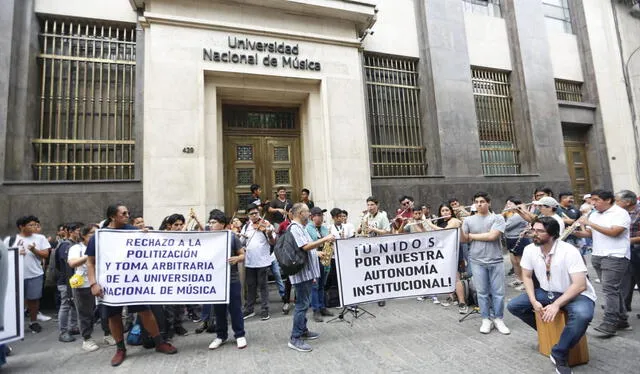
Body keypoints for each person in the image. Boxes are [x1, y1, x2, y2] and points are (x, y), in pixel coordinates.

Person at [86, 203, 177, 366]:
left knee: (145, 311)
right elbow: (90, 262)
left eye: (128, 212)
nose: (128, 215)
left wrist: (149, 237)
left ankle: (159, 342)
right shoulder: (100, 236)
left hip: (134, 283)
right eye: (123, 213)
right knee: (114, 316)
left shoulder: (135, 232)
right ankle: (120, 349)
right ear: (112, 216)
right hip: (111, 285)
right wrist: (93, 283)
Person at [507, 217, 595, 374]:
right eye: (533, 230)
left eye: (540, 231)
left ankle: (559, 353)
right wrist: (533, 300)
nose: (534, 234)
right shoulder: (530, 249)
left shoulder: (569, 251)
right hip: (546, 292)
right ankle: (555, 335)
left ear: (553, 234)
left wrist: (556, 305)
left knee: (583, 314)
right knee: (515, 306)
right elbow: (526, 277)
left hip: (574, 294)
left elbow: (579, 285)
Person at [574, 189, 631, 337]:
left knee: (609, 289)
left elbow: (614, 232)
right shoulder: (595, 214)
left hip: (615, 255)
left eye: (596, 200)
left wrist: (589, 222)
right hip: (598, 254)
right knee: (614, 289)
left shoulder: (620, 213)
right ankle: (622, 319)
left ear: (608, 200)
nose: (593, 203)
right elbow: (592, 233)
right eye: (592, 199)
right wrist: (576, 232)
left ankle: (610, 323)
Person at [287, 203, 335, 352]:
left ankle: (303, 330)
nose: (309, 215)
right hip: (302, 273)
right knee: (301, 305)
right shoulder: (294, 228)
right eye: (307, 212)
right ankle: (295, 338)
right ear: (300, 213)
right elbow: (305, 247)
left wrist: (319, 252)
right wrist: (325, 239)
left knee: (304, 302)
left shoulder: (301, 227)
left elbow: (308, 248)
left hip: (308, 272)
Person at [460, 192, 510, 335]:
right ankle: (485, 318)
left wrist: (471, 236)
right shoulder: (468, 220)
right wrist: (459, 228)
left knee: (498, 292)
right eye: (477, 201)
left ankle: (498, 318)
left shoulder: (497, 218)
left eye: (482, 201)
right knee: (482, 292)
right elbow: (463, 240)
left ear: (489, 203)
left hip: (496, 260)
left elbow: (492, 236)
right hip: (476, 260)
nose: (479, 204)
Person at [207, 209, 248, 350]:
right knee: (218, 310)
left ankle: (240, 334)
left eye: (214, 222)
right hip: (215, 280)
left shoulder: (232, 237)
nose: (211, 225)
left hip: (232, 279)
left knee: (235, 308)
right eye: (210, 222)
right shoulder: (207, 238)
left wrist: (237, 258)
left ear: (222, 224)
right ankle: (221, 335)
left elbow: (243, 255)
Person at [4, 216, 51, 333]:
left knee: (33, 299)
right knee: (15, 300)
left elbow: (45, 254)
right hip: (15, 275)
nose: (34, 227)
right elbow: (3, 256)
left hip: (35, 274)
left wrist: (34, 250)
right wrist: (15, 253)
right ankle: (15, 324)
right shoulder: (10, 240)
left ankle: (33, 322)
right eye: (31, 225)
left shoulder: (40, 238)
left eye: (35, 225)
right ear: (21, 226)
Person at [67, 224, 101, 352]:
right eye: (92, 233)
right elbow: (72, 263)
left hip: (101, 284)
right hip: (83, 285)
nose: (96, 235)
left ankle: (108, 334)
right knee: (85, 313)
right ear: (84, 236)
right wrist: (90, 254)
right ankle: (87, 338)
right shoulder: (76, 248)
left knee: (103, 311)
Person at [240, 204, 276, 321]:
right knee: (251, 286)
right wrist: (240, 236)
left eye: (256, 213)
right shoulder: (246, 227)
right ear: (248, 215)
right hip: (250, 261)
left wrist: (269, 234)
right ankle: (249, 309)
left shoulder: (266, 224)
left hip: (263, 261)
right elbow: (242, 243)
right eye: (252, 214)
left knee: (263, 286)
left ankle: (265, 309)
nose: (254, 215)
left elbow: (273, 242)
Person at [357, 196, 391, 307]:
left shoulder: (382, 217)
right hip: (369, 247)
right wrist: (360, 228)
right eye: (368, 205)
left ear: (377, 205)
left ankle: (381, 296)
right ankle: (372, 294)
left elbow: (387, 231)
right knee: (371, 272)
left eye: (372, 205)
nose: (370, 207)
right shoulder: (367, 216)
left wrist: (374, 229)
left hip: (380, 248)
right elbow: (362, 230)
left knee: (380, 273)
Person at [305, 207, 334, 322]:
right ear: (312, 217)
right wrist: (316, 251)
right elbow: (308, 244)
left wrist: (331, 241)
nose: (322, 217)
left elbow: (327, 240)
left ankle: (322, 307)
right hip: (314, 260)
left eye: (322, 215)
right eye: (319, 215)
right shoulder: (307, 228)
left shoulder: (324, 228)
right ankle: (316, 310)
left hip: (324, 260)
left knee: (322, 285)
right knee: (315, 286)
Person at [162, 214, 189, 337]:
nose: (179, 227)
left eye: (181, 224)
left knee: (180, 302)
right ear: (170, 226)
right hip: (167, 275)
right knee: (169, 304)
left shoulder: (187, 238)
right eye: (176, 225)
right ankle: (169, 327)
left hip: (181, 274)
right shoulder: (163, 238)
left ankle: (178, 325)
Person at [55, 222, 82, 342]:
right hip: (66, 281)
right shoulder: (65, 246)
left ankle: (73, 327)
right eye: (78, 230)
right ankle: (63, 331)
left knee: (74, 303)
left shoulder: (75, 244)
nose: (80, 233)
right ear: (71, 232)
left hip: (73, 279)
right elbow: (65, 266)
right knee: (65, 305)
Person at [615, 190, 640, 311]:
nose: (615, 203)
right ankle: (623, 305)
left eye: (617, 201)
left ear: (628, 202)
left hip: (637, 249)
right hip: (627, 250)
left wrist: (627, 240)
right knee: (626, 278)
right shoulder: (621, 213)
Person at [503, 197, 532, 291]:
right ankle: (519, 279)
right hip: (510, 239)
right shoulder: (511, 214)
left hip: (519, 239)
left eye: (510, 204)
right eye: (507, 204)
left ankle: (525, 281)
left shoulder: (518, 216)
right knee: (514, 261)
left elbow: (505, 227)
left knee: (520, 262)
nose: (507, 206)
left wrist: (503, 215)